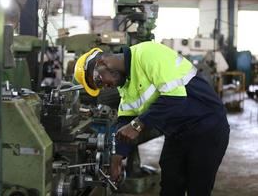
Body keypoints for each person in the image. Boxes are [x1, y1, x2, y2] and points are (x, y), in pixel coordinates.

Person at [74, 41, 230, 196]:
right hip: (177, 133)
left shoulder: (147, 53)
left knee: (198, 187)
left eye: (99, 81)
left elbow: (175, 98)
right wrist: (116, 159)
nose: (106, 86)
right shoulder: (125, 86)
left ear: (102, 62)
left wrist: (137, 124)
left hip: (208, 127)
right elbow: (124, 121)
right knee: (170, 186)